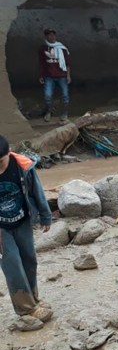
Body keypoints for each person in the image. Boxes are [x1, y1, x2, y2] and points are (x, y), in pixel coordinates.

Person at [0, 135, 53, 324]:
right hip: (1, 230)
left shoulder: (22, 166)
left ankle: (34, 299)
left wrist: (46, 216)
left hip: (22, 221)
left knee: (29, 259)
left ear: (8, 153)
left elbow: (36, 191)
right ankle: (26, 309)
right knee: (12, 264)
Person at [38, 28, 71, 123]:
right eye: (49, 35)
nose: (52, 36)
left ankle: (65, 113)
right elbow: (42, 63)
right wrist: (41, 75)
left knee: (65, 96)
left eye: (53, 35)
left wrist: (68, 75)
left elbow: (68, 63)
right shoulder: (43, 49)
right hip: (49, 76)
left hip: (62, 76)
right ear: (46, 36)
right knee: (47, 96)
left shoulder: (62, 48)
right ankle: (48, 112)